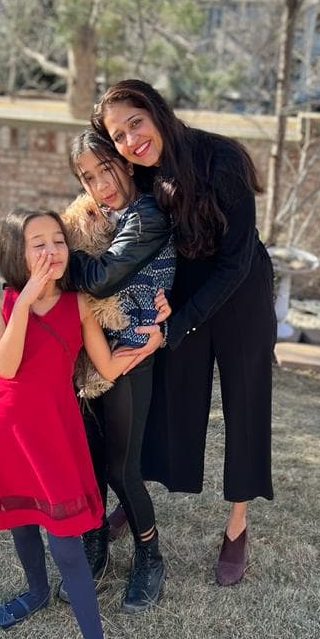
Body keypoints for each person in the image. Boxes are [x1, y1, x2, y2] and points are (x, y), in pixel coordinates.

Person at [0, 207, 162, 639]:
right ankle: (33, 591)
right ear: (17, 251)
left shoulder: (80, 304)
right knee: (21, 521)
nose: (51, 251)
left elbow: (105, 366)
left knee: (68, 547)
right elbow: (5, 365)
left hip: (54, 432)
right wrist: (28, 296)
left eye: (58, 240)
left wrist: (147, 343)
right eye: (38, 243)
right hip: (5, 428)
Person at [90, 79, 276, 587]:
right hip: (180, 292)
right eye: (119, 135)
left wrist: (177, 323)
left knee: (245, 404)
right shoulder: (140, 173)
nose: (131, 140)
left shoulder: (222, 158)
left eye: (135, 123)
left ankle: (237, 524)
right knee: (168, 398)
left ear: (157, 112)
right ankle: (136, 493)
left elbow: (235, 261)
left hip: (241, 291)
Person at [65, 130, 175, 613]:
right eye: (87, 178)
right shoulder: (100, 216)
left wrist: (56, 256)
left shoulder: (146, 214)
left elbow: (100, 278)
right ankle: (95, 541)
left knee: (121, 469)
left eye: (105, 169)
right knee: (88, 459)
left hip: (130, 351)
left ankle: (150, 555)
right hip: (87, 353)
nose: (100, 185)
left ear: (126, 164)